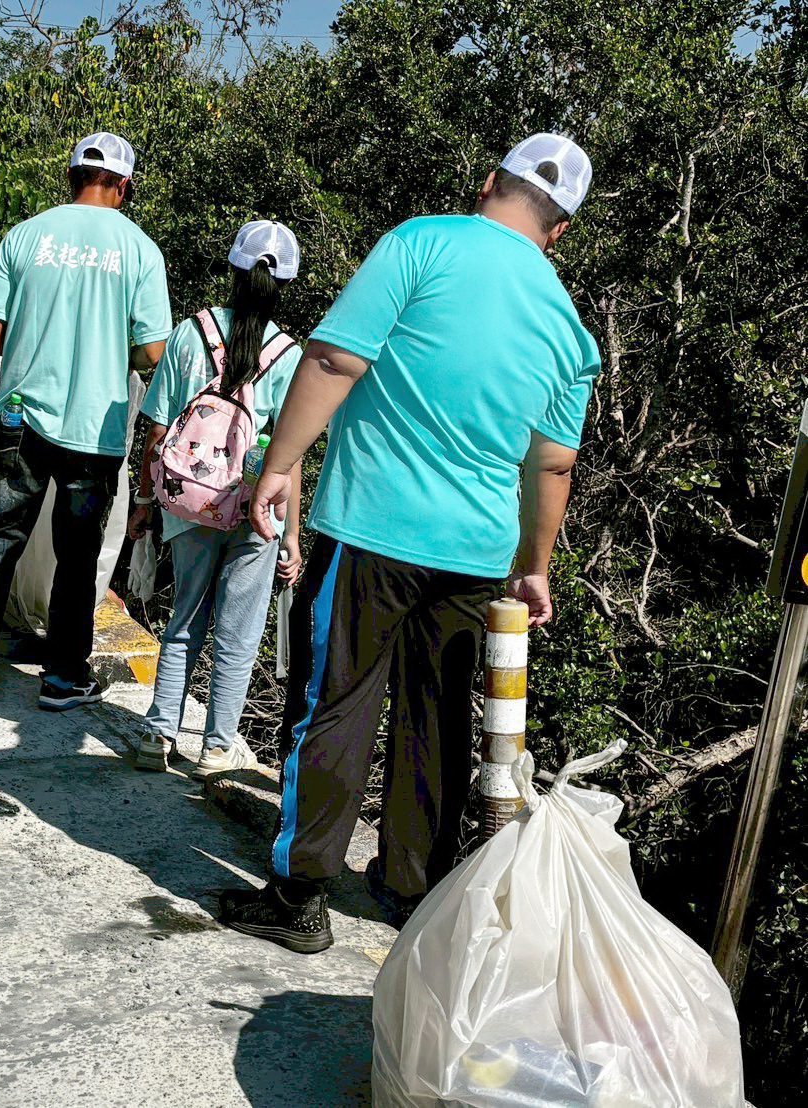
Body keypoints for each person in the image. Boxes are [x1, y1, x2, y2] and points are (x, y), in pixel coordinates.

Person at [218, 133, 601, 954]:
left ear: (487, 177)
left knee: (336, 705)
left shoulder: (421, 242)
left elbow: (331, 358)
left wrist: (279, 466)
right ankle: (409, 893)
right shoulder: (570, 330)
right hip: (474, 552)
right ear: (560, 229)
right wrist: (534, 568)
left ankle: (298, 895)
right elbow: (554, 464)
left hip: (370, 529)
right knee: (434, 721)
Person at [0, 131, 172, 711]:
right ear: (123, 185)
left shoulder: (24, 236)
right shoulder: (140, 251)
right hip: (96, 430)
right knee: (77, 555)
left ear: (71, 177)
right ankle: (63, 679)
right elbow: (153, 352)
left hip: (20, 415)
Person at [128, 221, 306, 777]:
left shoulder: (191, 332)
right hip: (255, 506)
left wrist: (143, 500)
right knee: (238, 633)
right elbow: (290, 453)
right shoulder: (288, 353)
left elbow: (156, 427)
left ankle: (157, 735)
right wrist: (292, 534)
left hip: (190, 501)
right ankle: (216, 749)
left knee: (184, 620)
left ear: (232, 270)